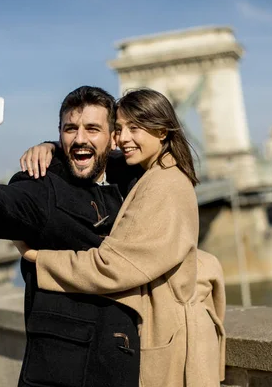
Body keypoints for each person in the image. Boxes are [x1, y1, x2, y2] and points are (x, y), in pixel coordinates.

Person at [0, 86, 143, 387]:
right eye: (70, 129)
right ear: (60, 133)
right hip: (64, 374)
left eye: (92, 129)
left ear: (113, 138)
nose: (80, 138)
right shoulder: (42, 186)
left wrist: (50, 146)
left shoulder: (134, 178)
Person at [20, 89, 225, 387]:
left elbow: (113, 266)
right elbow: (92, 147)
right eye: (118, 129)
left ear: (162, 130)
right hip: (172, 330)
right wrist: (51, 146)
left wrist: (38, 258)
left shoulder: (164, 186)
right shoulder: (155, 172)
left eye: (135, 128)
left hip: (174, 340)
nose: (122, 139)